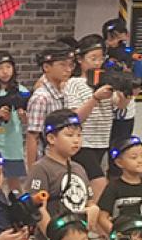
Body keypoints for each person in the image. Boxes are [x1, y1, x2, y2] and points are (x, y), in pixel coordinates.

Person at [24, 42, 112, 172]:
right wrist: (32, 170)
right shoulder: (41, 97)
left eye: (71, 65)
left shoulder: (65, 91)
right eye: (62, 65)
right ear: (46, 67)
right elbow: (32, 136)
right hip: (46, 161)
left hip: (65, 159)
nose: (68, 69)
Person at [25, 109, 95, 240]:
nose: (76, 140)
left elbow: (89, 201)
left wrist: (93, 210)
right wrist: (55, 239)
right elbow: (38, 210)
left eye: (79, 135)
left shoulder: (79, 168)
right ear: (51, 138)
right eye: (69, 135)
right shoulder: (41, 168)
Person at [68, 35, 118, 200]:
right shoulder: (74, 83)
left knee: (90, 188)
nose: (97, 63)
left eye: (101, 58)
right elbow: (75, 117)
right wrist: (95, 98)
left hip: (102, 141)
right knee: (100, 184)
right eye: (93, 58)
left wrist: (127, 90)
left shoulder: (106, 81)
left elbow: (120, 105)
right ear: (80, 59)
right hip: (83, 142)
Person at [0, 51, 30, 192]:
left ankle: (17, 205)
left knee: (14, 185)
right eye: (0, 68)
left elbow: (28, 121)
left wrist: (23, 116)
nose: (5, 72)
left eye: (8, 67)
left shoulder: (21, 91)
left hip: (13, 145)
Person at [103, 18, 142, 147]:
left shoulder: (134, 58)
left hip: (124, 114)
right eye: (111, 38)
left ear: (126, 35)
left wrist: (127, 77)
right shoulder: (102, 56)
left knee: (120, 148)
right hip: (103, 111)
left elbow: (137, 89)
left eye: (118, 37)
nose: (115, 42)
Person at [97, 136, 142, 235]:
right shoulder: (114, 187)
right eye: (134, 157)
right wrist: (116, 234)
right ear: (119, 163)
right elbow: (102, 217)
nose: (140, 160)